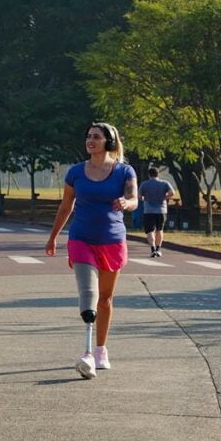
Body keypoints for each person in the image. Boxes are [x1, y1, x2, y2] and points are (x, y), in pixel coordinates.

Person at [45, 122, 138, 379]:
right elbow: (66, 207)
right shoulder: (75, 172)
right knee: (89, 294)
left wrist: (126, 202)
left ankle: (100, 350)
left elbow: (134, 199)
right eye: (88, 136)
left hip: (112, 240)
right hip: (81, 238)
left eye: (96, 137)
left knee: (105, 299)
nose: (90, 140)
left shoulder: (124, 171)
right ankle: (86, 353)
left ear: (108, 142)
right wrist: (53, 237)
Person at [138, 167, 176, 258]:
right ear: (158, 174)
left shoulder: (144, 184)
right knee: (160, 230)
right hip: (161, 210)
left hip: (148, 210)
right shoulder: (164, 183)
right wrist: (164, 197)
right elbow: (172, 192)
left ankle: (153, 249)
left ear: (149, 174)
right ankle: (159, 249)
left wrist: (144, 199)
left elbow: (140, 197)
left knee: (150, 230)